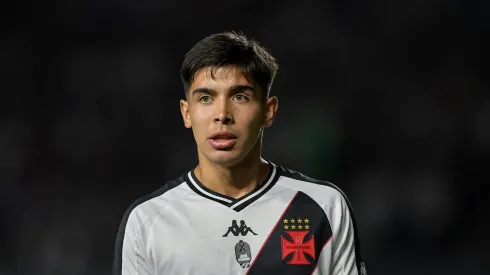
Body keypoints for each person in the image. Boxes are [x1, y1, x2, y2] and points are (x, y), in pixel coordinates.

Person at [113, 31, 367, 275]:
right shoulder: (147, 221)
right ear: (186, 112)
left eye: (240, 97)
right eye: (205, 98)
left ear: (268, 111)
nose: (222, 114)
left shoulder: (325, 206)